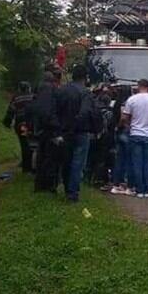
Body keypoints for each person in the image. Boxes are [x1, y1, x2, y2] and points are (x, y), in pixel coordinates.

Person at [56, 64, 93, 202]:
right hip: (80, 132)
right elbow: (85, 112)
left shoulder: (62, 91)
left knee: (66, 160)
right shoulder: (85, 93)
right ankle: (73, 193)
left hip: (64, 131)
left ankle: (66, 188)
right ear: (85, 77)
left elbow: (56, 111)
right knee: (78, 163)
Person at [121, 79, 148, 198]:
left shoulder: (132, 100)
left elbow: (124, 118)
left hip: (135, 134)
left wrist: (129, 126)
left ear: (138, 87)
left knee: (137, 163)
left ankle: (139, 190)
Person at [30, 71, 63, 193]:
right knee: (50, 158)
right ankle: (48, 186)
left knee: (42, 156)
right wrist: (55, 127)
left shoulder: (39, 91)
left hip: (41, 128)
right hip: (50, 129)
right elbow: (49, 111)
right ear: (53, 80)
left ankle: (40, 185)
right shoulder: (49, 90)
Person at [2, 81, 34, 173]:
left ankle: (26, 167)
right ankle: (32, 167)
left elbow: (11, 111)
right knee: (32, 144)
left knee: (24, 144)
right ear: (28, 88)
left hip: (20, 125)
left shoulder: (16, 98)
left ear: (19, 88)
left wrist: (7, 122)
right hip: (31, 124)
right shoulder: (33, 96)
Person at [110, 85, 135, 196]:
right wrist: (124, 125)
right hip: (126, 131)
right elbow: (123, 118)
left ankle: (116, 183)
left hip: (118, 132)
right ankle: (127, 183)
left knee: (119, 159)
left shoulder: (116, 103)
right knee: (129, 159)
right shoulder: (126, 104)